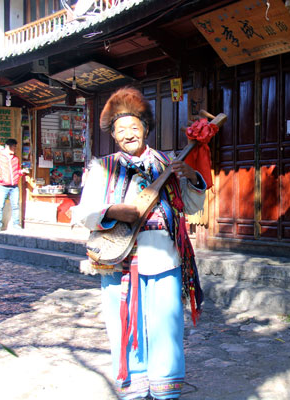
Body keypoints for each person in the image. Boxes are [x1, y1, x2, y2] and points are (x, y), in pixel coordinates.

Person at [73, 87, 205, 400]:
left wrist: (192, 177)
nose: (129, 134)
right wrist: (112, 212)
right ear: (113, 135)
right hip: (118, 257)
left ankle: (166, 388)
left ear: (146, 128)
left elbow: (191, 205)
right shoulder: (101, 167)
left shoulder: (168, 163)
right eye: (121, 130)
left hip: (163, 255)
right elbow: (84, 212)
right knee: (124, 326)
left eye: (135, 127)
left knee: (167, 324)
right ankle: (133, 387)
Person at [0, 138, 28, 231]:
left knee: (15, 205)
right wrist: (0, 179)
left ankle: (16, 224)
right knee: (0, 206)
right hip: (2, 186)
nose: (15, 149)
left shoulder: (15, 159)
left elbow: (17, 170)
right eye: (14, 147)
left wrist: (21, 172)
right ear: (9, 147)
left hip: (14, 186)